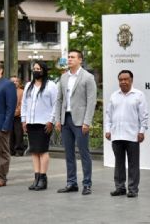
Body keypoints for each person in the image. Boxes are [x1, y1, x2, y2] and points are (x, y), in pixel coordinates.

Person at [55, 49, 97, 195]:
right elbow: (59, 99)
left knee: (84, 153)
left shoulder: (88, 77)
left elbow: (91, 102)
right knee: (69, 153)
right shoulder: (64, 77)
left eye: (72, 57)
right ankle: (71, 182)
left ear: (80, 60)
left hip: (80, 121)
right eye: (69, 57)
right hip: (65, 119)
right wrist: (58, 119)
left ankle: (87, 184)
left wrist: (87, 122)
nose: (70, 59)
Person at [105, 70, 148, 198]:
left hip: (132, 135)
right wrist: (108, 130)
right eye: (121, 80)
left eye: (126, 79)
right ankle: (120, 187)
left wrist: (142, 131)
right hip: (116, 135)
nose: (123, 82)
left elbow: (144, 116)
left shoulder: (139, 95)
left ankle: (133, 189)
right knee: (119, 163)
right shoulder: (114, 96)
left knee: (133, 164)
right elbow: (108, 115)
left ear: (131, 80)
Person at [21, 61, 58, 191]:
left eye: (38, 68)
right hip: (31, 122)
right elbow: (24, 103)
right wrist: (23, 120)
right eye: (34, 69)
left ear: (44, 70)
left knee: (42, 150)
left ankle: (43, 178)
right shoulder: (28, 86)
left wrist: (51, 121)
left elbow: (55, 104)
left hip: (44, 123)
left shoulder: (51, 85)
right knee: (34, 151)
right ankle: (36, 177)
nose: (36, 71)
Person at [10, 76, 25, 156]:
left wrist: (16, 112)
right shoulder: (7, 91)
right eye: (13, 81)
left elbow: (22, 104)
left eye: (16, 81)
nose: (14, 82)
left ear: (19, 83)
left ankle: (19, 150)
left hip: (18, 117)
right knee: (10, 134)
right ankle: (11, 150)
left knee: (18, 134)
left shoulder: (22, 92)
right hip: (8, 117)